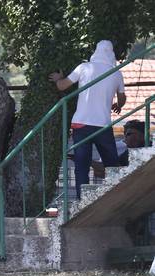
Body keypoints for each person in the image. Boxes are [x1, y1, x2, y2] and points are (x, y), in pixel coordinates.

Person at [49, 40, 126, 198]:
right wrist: (118, 104)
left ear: (96, 51)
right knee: (112, 164)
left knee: (81, 165)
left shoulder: (84, 67)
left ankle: (81, 199)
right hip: (103, 126)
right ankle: (116, 197)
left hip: (81, 124)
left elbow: (62, 86)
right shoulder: (117, 73)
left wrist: (58, 78)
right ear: (111, 53)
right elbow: (122, 98)